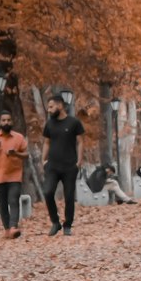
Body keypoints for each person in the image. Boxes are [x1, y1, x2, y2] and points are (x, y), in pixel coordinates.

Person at [42, 93, 85, 236]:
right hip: (52, 166)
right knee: (48, 192)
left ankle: (67, 225)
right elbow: (46, 143)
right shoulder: (49, 124)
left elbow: (80, 142)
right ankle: (55, 222)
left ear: (60, 105)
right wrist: (43, 160)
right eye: (48, 107)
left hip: (69, 166)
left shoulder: (74, 123)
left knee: (69, 196)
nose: (49, 110)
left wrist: (79, 161)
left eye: (51, 106)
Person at [0, 110, 29, 239]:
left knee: (13, 200)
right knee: (3, 204)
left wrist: (16, 154)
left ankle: (14, 226)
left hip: (14, 175)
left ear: (12, 122)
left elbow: (26, 154)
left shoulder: (18, 137)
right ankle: (7, 229)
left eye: (8, 120)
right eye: (3, 120)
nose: (6, 122)